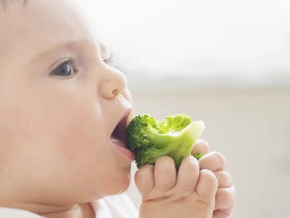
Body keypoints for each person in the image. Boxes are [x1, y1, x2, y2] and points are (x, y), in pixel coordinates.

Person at [0, 0, 237, 217]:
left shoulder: (113, 205)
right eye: (65, 68)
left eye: (106, 60)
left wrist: (189, 206)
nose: (118, 79)